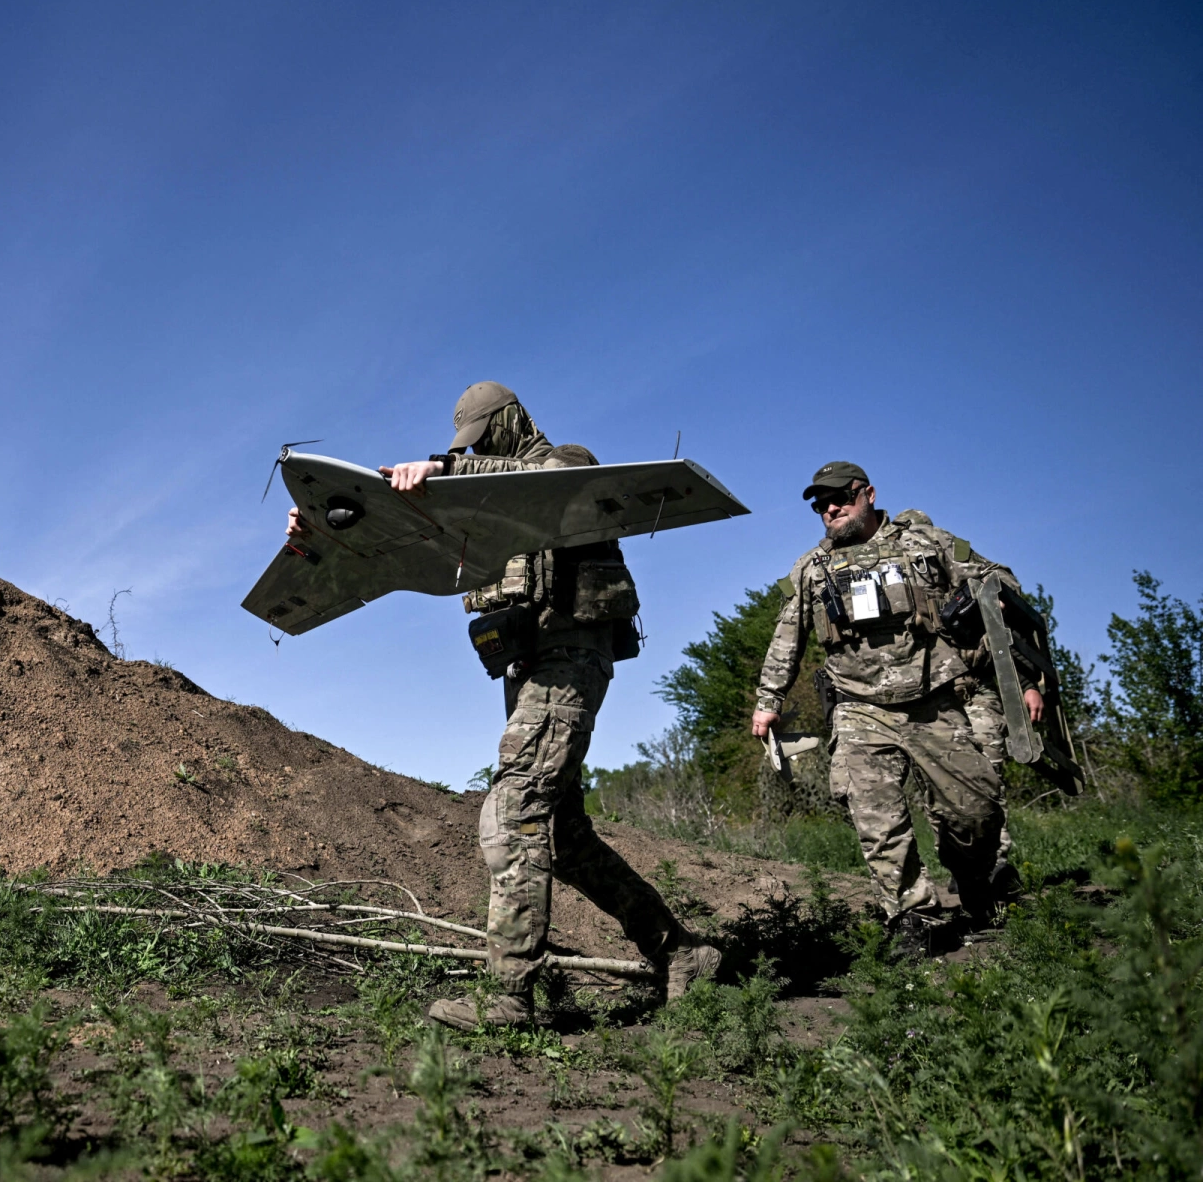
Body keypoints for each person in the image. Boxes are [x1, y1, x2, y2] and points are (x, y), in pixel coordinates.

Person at [289, 381, 719, 1029]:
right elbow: (407, 541)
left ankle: (509, 997)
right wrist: (334, 530)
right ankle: (681, 955)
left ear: (510, 421)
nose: (474, 450)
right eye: (467, 446)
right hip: (525, 667)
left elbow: (544, 475)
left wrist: (448, 468)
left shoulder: (564, 465)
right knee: (564, 838)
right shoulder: (472, 503)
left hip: (571, 656)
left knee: (514, 807)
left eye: (482, 438)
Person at [751, 462, 1043, 955]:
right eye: (819, 505)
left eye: (838, 498)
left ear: (867, 494)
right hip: (858, 706)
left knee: (975, 811)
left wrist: (1015, 660)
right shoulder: (813, 568)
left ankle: (976, 880)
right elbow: (787, 637)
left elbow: (998, 584)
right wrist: (768, 702)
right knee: (876, 820)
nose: (829, 510)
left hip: (933, 699)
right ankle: (914, 917)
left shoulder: (926, 542)